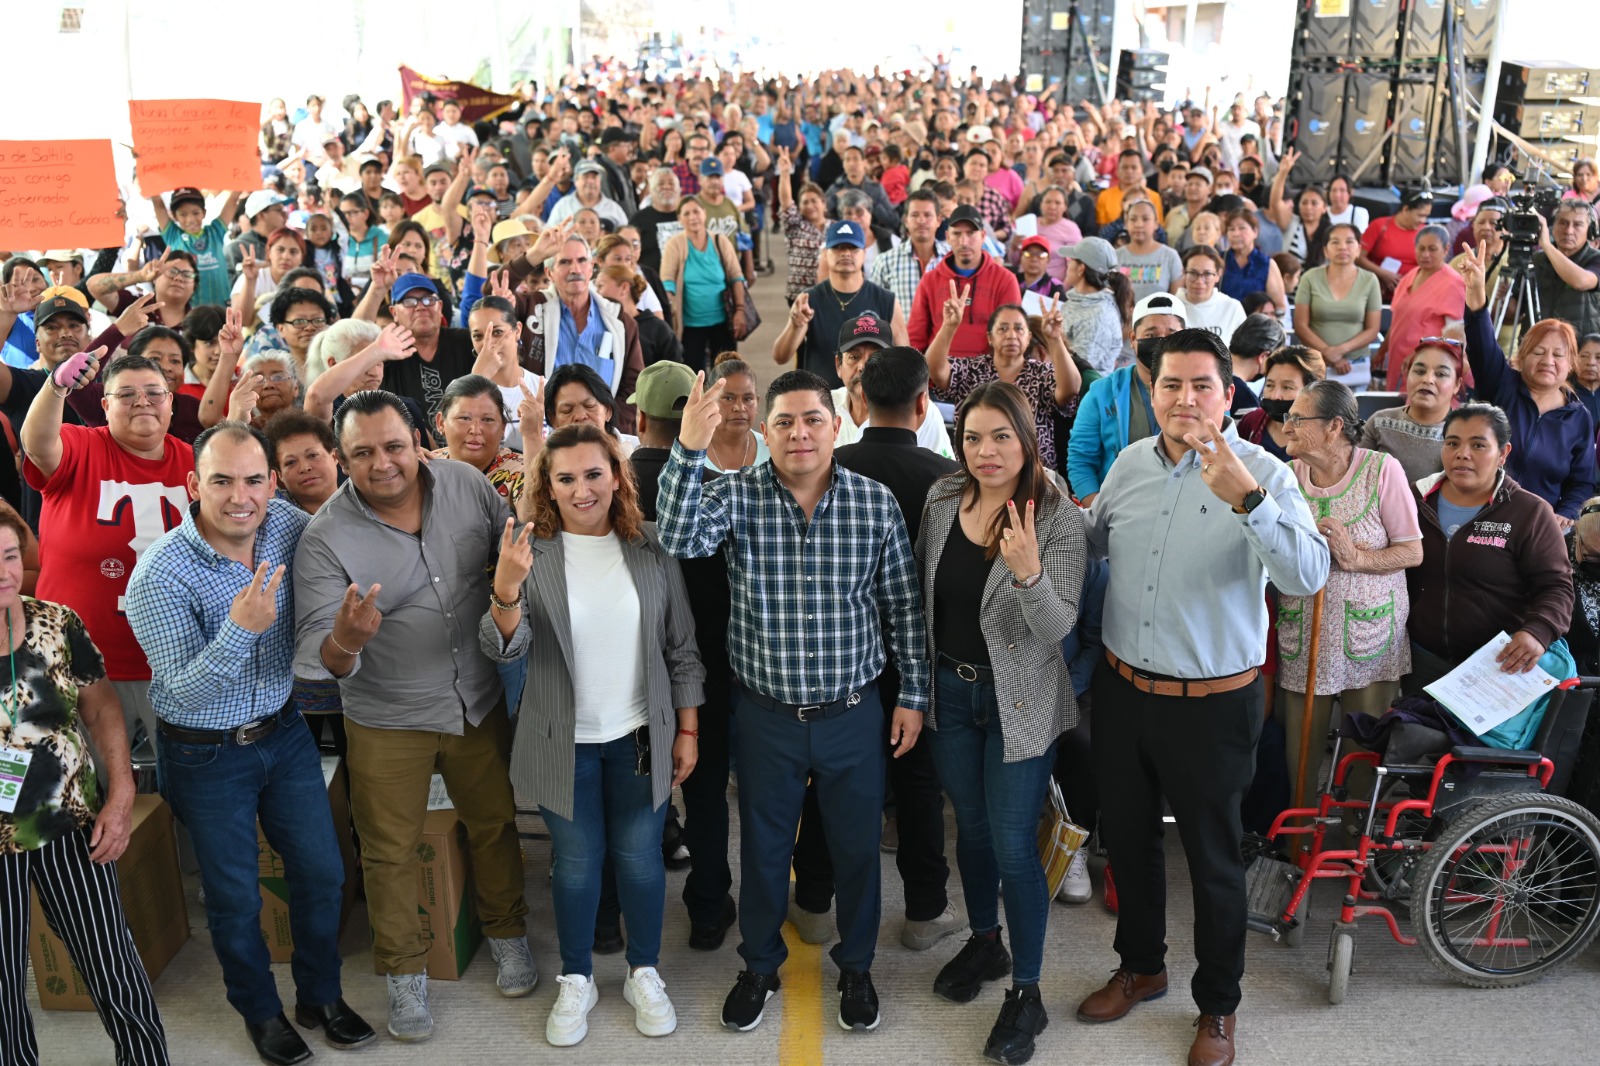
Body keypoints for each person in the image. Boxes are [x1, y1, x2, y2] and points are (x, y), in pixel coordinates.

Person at [1078, 328, 1328, 1066]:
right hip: (1124, 690)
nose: (1184, 399)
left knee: (1214, 860)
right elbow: (1095, 541)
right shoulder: (1130, 463)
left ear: (1228, 394)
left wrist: (1249, 502)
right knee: (1129, 842)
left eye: (1201, 386)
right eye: (1170, 385)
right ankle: (1141, 968)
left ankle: (1218, 1005)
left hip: (1213, 703)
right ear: (1151, 392)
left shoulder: (1264, 473)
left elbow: (1306, 577)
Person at [656, 369, 929, 1035]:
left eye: (812, 419)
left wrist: (914, 694)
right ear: (763, 430)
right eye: (783, 422)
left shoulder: (874, 504)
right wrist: (687, 449)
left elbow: (903, 609)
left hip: (853, 714)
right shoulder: (734, 494)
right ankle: (759, 966)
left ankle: (856, 967)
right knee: (764, 851)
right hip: (765, 716)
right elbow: (678, 538)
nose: (799, 433)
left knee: (857, 851)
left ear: (837, 426)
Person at [126, 422, 374, 1065]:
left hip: (284, 732)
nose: (241, 497)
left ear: (272, 482)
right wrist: (240, 630)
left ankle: (319, 996)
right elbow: (181, 692)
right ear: (193, 484)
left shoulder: (286, 525)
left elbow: (346, 529)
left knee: (323, 873)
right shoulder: (160, 573)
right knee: (235, 898)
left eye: (254, 480)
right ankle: (260, 1011)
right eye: (222, 481)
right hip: (204, 752)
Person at [292, 392, 538, 1042]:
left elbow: (513, 557)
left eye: (394, 446)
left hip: (476, 700)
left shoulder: (466, 486)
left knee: (494, 825)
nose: (382, 463)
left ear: (420, 441)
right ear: (341, 459)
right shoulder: (325, 538)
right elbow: (319, 660)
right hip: (386, 717)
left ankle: (508, 933)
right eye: (363, 453)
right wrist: (346, 639)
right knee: (388, 851)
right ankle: (404, 974)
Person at [481, 422, 703, 1046]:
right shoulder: (529, 551)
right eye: (567, 478)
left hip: (640, 735)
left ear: (616, 475)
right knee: (576, 864)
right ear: (548, 486)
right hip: (563, 739)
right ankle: (576, 976)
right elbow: (503, 650)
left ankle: (643, 971)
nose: (582, 489)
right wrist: (505, 588)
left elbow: (682, 648)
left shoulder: (650, 546)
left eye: (593, 474)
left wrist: (688, 728)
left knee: (640, 860)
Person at [916, 381, 1085, 1065]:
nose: (985, 451)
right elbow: (923, 598)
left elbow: (1059, 629)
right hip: (950, 694)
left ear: (1027, 439)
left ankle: (1027, 991)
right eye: (973, 438)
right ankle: (986, 941)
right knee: (973, 828)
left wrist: (1029, 575)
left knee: (1014, 846)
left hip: (1021, 700)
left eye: (1001, 437)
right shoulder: (941, 498)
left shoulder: (1056, 515)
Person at [0, 504, 171, 1066]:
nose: (3, 572)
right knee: (1, 983)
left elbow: (101, 710)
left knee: (110, 958)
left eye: (9, 556)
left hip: (69, 822)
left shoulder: (57, 623)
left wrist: (121, 795)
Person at [623, 360, 739, 950]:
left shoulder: (605, 490)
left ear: (638, 420)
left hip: (626, 672)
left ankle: (612, 918)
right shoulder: (723, 492)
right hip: (709, 670)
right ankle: (708, 908)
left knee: (627, 795)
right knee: (707, 792)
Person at [22, 348, 193, 744]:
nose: (142, 401)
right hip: (76, 663)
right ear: (104, 405)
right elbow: (37, 444)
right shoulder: (80, 445)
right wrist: (56, 386)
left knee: (182, 777)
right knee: (86, 777)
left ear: (171, 402)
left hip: (174, 662)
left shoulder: (196, 462)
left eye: (154, 393)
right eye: (126, 394)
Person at [1276, 381, 1423, 810]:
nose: (1286, 427)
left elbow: (1412, 552)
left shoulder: (1382, 470)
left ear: (1334, 426)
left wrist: (1355, 558)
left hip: (1369, 635)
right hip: (1303, 633)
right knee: (1298, 748)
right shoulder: (1286, 476)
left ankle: (1355, 833)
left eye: (1297, 418)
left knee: (1365, 746)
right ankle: (1298, 832)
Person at [1406, 403, 1574, 690]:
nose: (1462, 453)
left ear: (1503, 453)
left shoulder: (1529, 512)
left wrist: (1538, 631)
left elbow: (1557, 586)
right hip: (1421, 658)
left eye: (1478, 445)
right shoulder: (1413, 500)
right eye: (1452, 443)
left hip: (1497, 666)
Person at [1460, 242, 1595, 525]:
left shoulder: (1578, 417)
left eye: (1558, 355)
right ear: (1521, 358)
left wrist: (1566, 514)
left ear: (1571, 364)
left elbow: (1581, 482)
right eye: (1538, 352)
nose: (1548, 361)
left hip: (1540, 525)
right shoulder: (1502, 384)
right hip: (1481, 514)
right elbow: (1482, 343)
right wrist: (1476, 293)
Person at [927, 290, 1079, 470]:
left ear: (1028, 337)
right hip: (976, 468)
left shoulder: (1041, 373)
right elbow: (935, 370)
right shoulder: (971, 369)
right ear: (990, 338)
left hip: (1033, 472)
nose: (1011, 335)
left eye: (1019, 329)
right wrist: (949, 326)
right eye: (1003, 328)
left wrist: (1054, 339)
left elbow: (1070, 389)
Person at [1067, 292, 1188, 503]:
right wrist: (1100, 512)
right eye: (1151, 335)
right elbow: (1081, 460)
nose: (1162, 342)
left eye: (1172, 334)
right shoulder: (1101, 393)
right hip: (1117, 508)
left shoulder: (1204, 393)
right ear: (1133, 339)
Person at [774, 221, 906, 389]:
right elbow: (781, 357)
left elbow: (905, 360)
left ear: (864, 253)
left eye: (853, 248)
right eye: (838, 248)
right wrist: (796, 325)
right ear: (825, 253)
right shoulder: (809, 300)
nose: (845, 254)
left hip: (872, 397)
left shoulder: (886, 300)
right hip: (821, 398)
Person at [908, 205, 1024, 359]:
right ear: (948, 237)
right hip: (939, 368)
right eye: (957, 234)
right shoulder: (929, 281)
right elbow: (916, 339)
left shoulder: (1005, 280)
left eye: (971, 233)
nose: (964, 242)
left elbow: (1011, 337)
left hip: (989, 370)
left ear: (983, 236)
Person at [832, 311, 954, 457]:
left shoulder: (921, 410)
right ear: (838, 365)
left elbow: (944, 468)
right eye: (854, 357)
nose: (863, 366)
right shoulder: (825, 406)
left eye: (875, 358)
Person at [660, 198, 747, 372]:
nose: (692, 217)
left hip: (723, 321)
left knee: (726, 372)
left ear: (704, 214)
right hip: (691, 325)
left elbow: (736, 277)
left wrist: (740, 310)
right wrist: (670, 304)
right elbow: (667, 280)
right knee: (694, 375)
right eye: (686, 213)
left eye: (696, 211)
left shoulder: (720, 241)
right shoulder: (674, 244)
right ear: (679, 219)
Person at [1380, 225, 1465, 390]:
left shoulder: (1453, 283)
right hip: (1398, 361)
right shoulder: (1410, 276)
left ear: (1446, 249)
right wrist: (1382, 350)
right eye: (1421, 248)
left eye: (1432, 249)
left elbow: (1454, 334)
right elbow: (1397, 320)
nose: (1426, 254)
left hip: (1429, 367)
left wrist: (1420, 353)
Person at [1292, 223, 1382, 379]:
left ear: (1358, 249)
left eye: (1349, 241)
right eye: (1335, 242)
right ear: (1326, 251)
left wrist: (1339, 351)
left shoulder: (1370, 280)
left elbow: (1373, 329)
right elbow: (1300, 326)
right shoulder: (1310, 277)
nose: (1342, 247)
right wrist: (1327, 352)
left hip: (1356, 363)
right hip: (1316, 363)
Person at [431, 375, 526, 506]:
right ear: (441, 423)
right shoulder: (425, 467)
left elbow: (532, 514)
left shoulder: (521, 471)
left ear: (503, 428)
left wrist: (531, 435)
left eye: (487, 420)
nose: (475, 430)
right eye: (464, 418)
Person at [153, 187, 245, 309]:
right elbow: (158, 204)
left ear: (204, 213)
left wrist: (242, 180)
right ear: (174, 216)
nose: (190, 219)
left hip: (222, 307)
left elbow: (233, 199)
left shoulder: (215, 231)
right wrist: (150, 182)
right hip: (191, 310)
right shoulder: (173, 235)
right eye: (183, 214)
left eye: (196, 213)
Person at [1235, 345, 1327, 463]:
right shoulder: (1252, 422)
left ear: (1313, 392)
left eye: (1287, 387)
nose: (1274, 396)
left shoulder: (1324, 436)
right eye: (1269, 385)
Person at [1055, 237, 1132, 375]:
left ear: (1081, 269)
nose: (1068, 265)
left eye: (1070, 260)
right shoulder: (1078, 301)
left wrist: (1054, 342)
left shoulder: (1099, 315)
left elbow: (1080, 368)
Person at [870, 188, 948, 312]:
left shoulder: (952, 258)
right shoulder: (885, 262)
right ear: (906, 221)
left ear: (938, 220)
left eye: (927, 215)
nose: (921, 221)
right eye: (915, 215)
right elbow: (873, 309)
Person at [1533, 200, 1600, 338]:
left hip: (1580, 346)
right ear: (1552, 226)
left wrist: (1546, 245)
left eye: (1578, 225)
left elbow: (1581, 282)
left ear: (1590, 231)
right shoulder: (1536, 260)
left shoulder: (1595, 258)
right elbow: (1512, 313)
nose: (1569, 231)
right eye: (1563, 223)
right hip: (1537, 344)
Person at [545, 363, 641, 457]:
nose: (580, 416)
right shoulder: (544, 460)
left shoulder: (639, 452)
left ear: (608, 410)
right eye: (567, 410)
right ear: (553, 420)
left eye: (589, 406)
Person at [595, 265, 683, 369]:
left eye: (600, 286)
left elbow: (675, 371)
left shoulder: (658, 329)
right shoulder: (600, 325)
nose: (597, 293)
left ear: (624, 288)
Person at [773, 150, 827, 303]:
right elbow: (786, 202)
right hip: (799, 295)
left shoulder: (836, 228)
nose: (810, 206)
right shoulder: (795, 225)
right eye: (805, 202)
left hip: (828, 295)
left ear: (824, 203)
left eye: (814, 201)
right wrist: (785, 174)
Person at [1358, 189, 1432, 296]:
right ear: (1406, 209)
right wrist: (1383, 274)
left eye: (1426, 216)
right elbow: (1359, 257)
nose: (1423, 221)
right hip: (1379, 292)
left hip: (1412, 293)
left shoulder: (1425, 232)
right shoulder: (1380, 226)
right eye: (1420, 215)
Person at [1265, 153, 1331, 269]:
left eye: (1314, 203)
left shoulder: (1331, 231)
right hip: (1288, 278)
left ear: (1324, 208)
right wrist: (1283, 173)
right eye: (1304, 203)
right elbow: (1275, 203)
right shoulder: (1291, 222)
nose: (1308, 207)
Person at [1219, 210, 1287, 311]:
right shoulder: (1219, 260)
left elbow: (1279, 305)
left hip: (1256, 319)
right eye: (1231, 229)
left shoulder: (1266, 264)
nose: (1236, 234)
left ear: (1255, 232)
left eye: (1242, 228)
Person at [1116, 201, 1183, 301]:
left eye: (1145, 219)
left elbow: (1177, 300)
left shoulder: (1170, 256)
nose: (1139, 224)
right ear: (1126, 223)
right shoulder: (1116, 256)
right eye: (1133, 219)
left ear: (1156, 223)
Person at [1177, 244, 1246, 341]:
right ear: (1184, 272)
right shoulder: (1172, 307)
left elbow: (1243, 347)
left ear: (1218, 274)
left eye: (1207, 274)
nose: (1199, 281)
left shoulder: (1232, 308)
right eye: (1193, 273)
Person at [549, 161, 631, 231]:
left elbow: (626, 235)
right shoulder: (562, 206)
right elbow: (550, 232)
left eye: (594, 177)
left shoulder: (614, 209)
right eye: (586, 177)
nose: (591, 181)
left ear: (600, 181)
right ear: (576, 181)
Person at [1096, 149, 1163, 228]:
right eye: (1125, 167)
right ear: (1117, 170)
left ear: (1141, 170)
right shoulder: (1104, 196)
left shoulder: (1154, 197)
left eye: (1134, 167)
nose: (1129, 171)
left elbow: (1158, 227)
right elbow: (1102, 228)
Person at [1165, 166, 1213, 247]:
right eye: (1189, 184)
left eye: (1198, 184)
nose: (1192, 188)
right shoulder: (1173, 214)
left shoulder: (1214, 214)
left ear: (1209, 189)